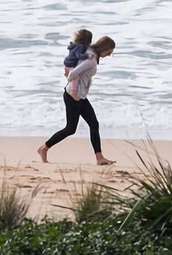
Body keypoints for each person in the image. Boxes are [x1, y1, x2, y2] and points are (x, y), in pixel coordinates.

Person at [38, 35, 116, 166]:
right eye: (109, 52)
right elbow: (73, 74)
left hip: (81, 96)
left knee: (93, 124)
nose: (109, 55)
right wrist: (74, 90)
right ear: (105, 47)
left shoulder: (91, 55)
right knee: (70, 129)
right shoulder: (91, 59)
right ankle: (43, 149)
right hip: (72, 96)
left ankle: (99, 158)